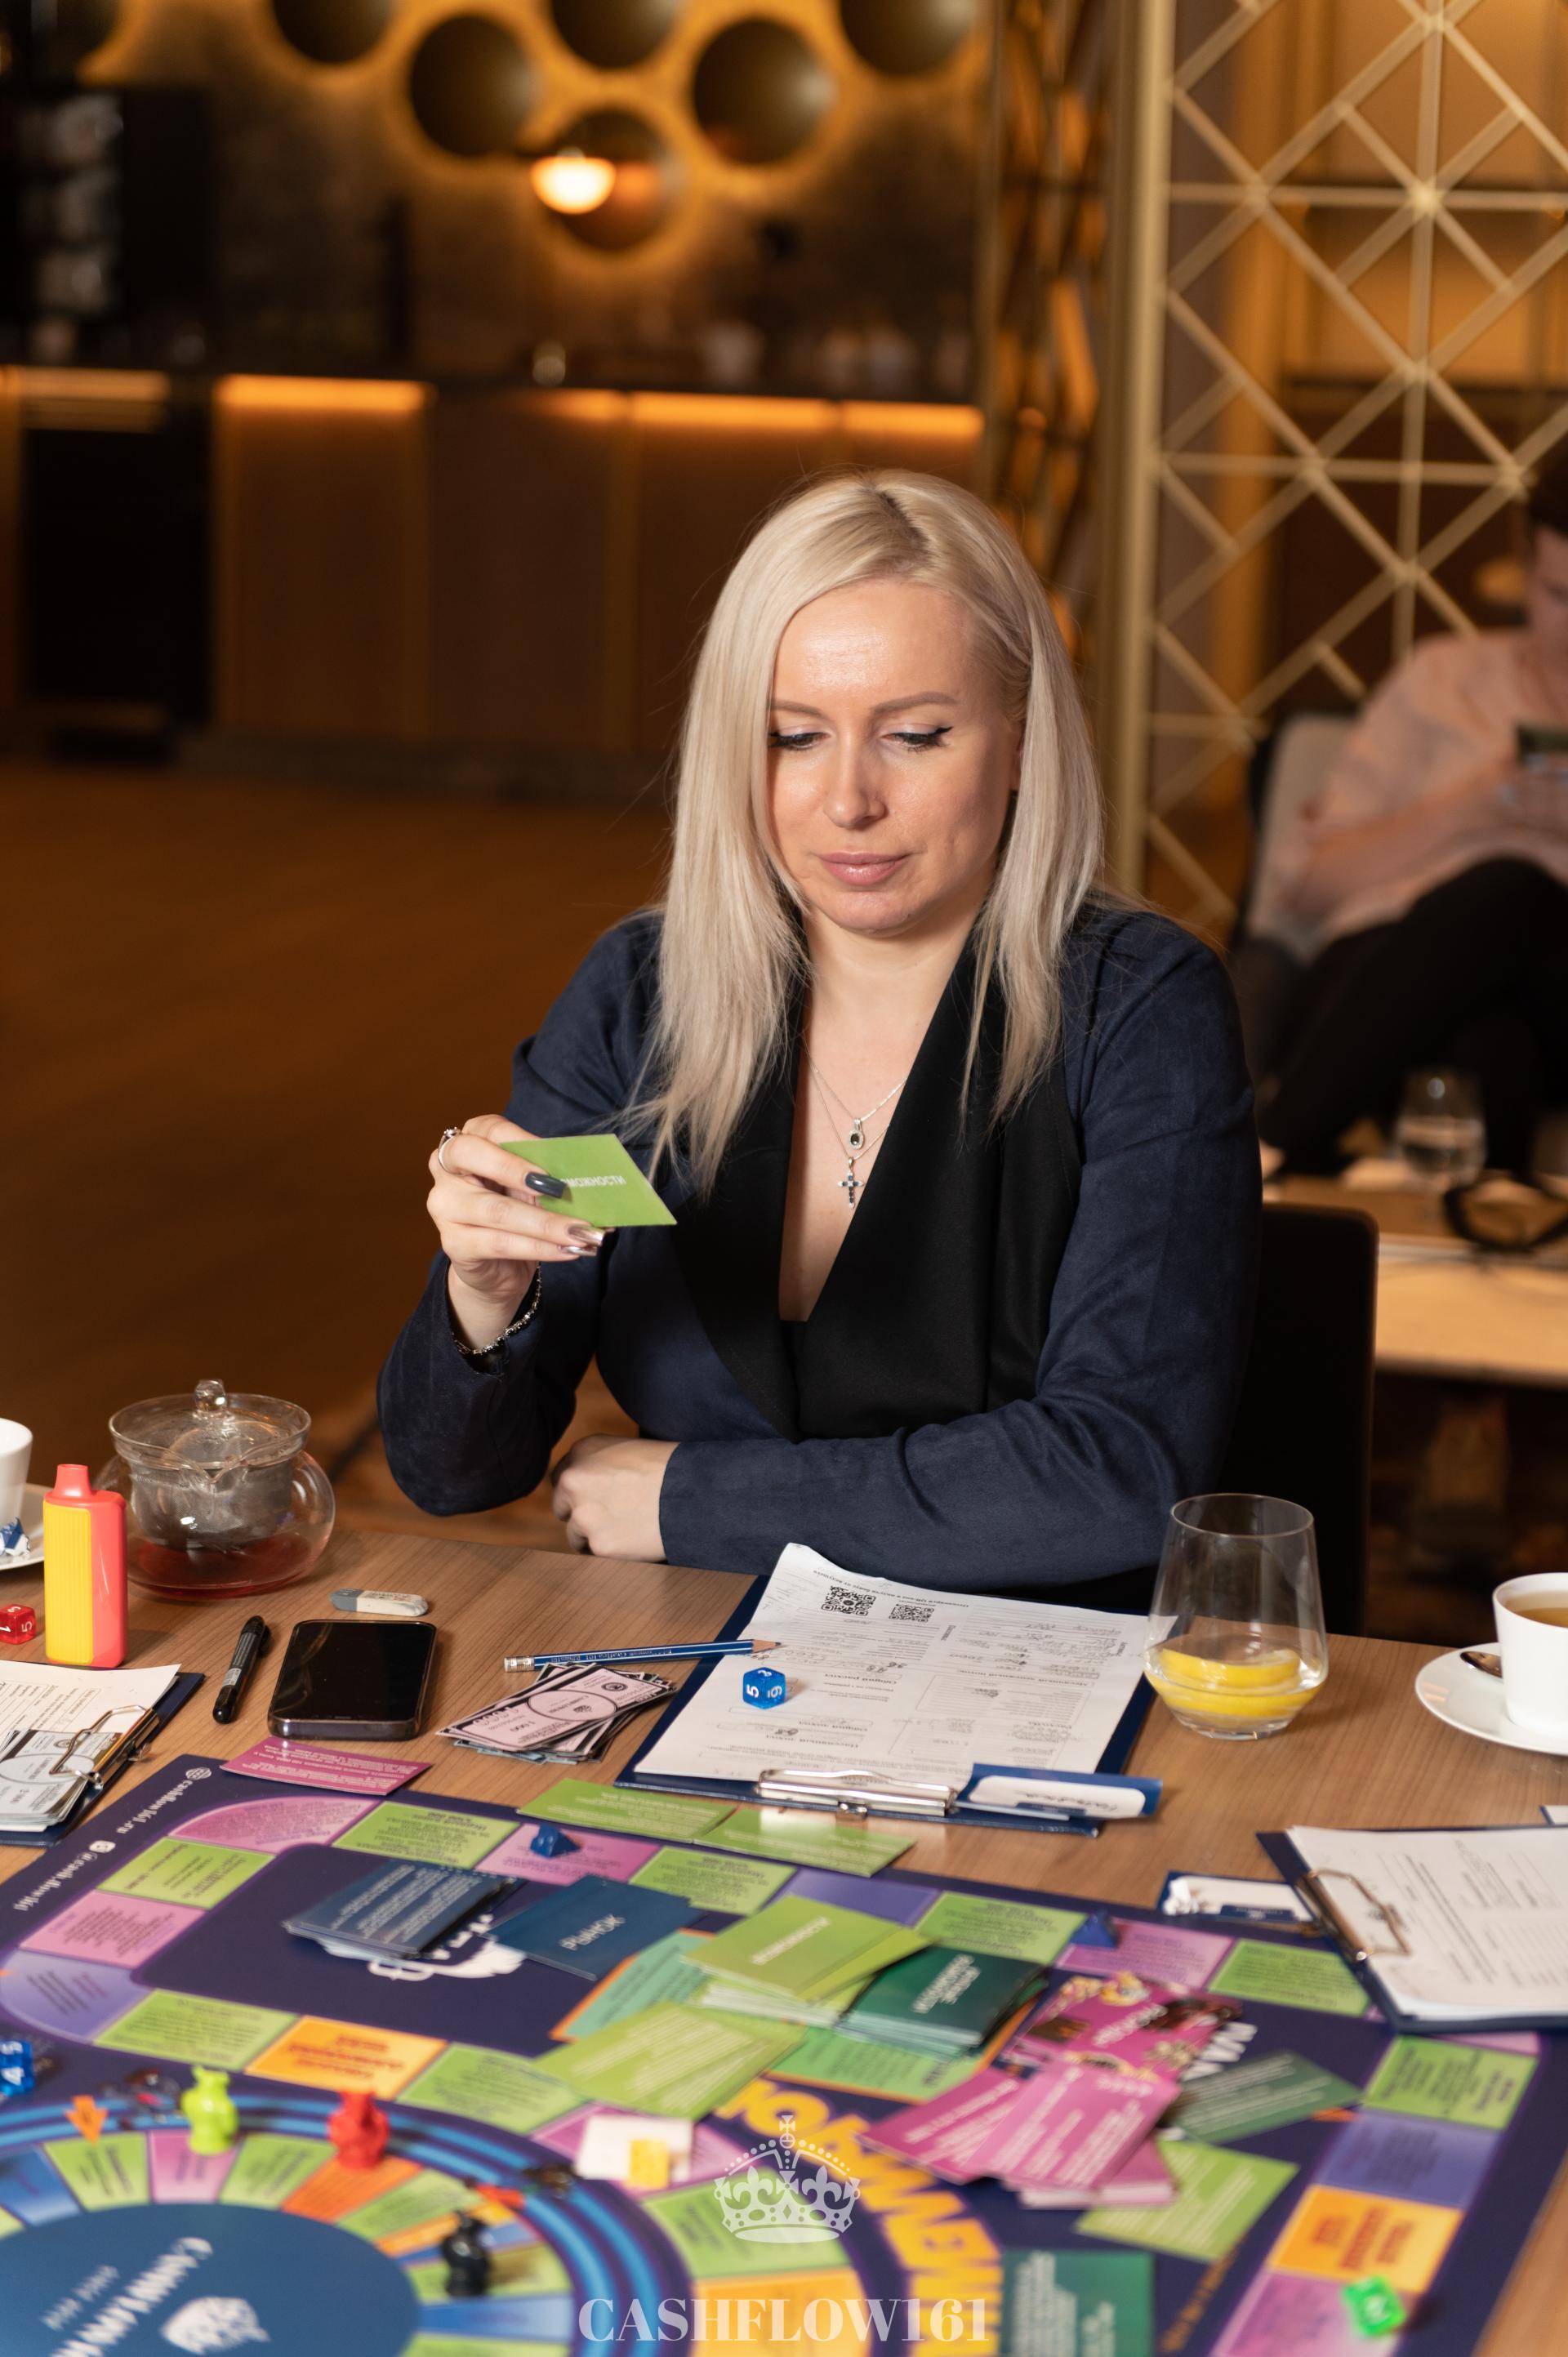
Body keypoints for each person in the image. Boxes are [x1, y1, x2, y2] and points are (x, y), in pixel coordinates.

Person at [377, 471, 1259, 1602]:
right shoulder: (641, 993)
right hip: (703, 1649)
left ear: (1022, 741)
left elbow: (1118, 1473)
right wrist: (485, 1295)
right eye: (793, 736)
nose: (848, 800)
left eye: (916, 735)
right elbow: (453, 1472)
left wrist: (691, 1498)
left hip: (1031, 1667)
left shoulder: (1141, 1007)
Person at [1253, 451, 1568, 1174]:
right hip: (1381, 973)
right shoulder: (1440, 678)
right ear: (1525, 568)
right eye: (1559, 595)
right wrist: (1471, 807)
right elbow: (1307, 885)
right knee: (1490, 1050)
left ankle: (1276, 1143)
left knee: (1513, 888)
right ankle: (1482, 1224)